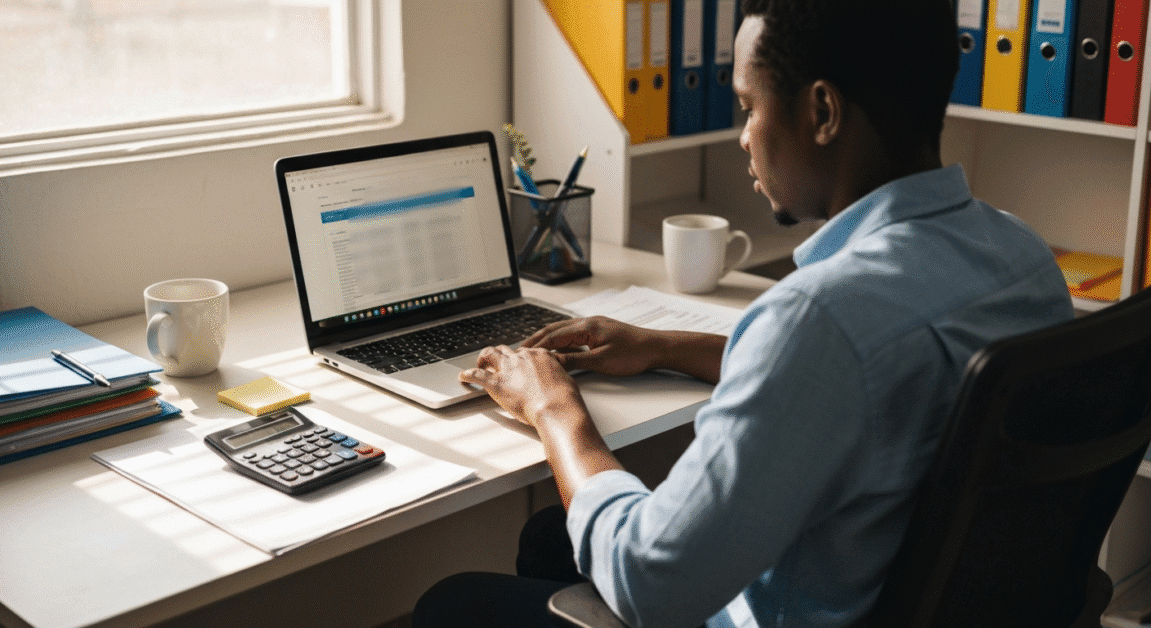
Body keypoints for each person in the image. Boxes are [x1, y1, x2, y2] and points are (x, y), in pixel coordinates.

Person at [413, 0, 1075, 626]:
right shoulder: (1020, 258)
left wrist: (553, 407)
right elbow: (868, 381)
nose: (742, 137)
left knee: (455, 602)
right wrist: (664, 346)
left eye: (747, 105)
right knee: (550, 537)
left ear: (821, 111)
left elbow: (649, 582)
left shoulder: (819, 318)